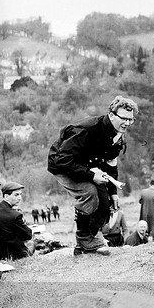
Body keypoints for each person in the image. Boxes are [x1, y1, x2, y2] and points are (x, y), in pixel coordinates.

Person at [47, 95, 139, 256]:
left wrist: (113, 193)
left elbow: (111, 166)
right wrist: (90, 175)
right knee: (89, 192)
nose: (127, 123)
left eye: (131, 120)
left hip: (87, 166)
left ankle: (86, 243)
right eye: (123, 118)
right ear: (111, 114)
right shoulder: (87, 129)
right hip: (63, 165)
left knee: (105, 202)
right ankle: (84, 238)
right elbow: (63, 159)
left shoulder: (118, 137)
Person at [0, 181, 34, 260]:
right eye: (16, 195)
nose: (20, 198)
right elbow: (28, 235)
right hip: (13, 255)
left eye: (20, 195)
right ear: (6, 196)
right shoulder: (15, 215)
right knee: (32, 243)